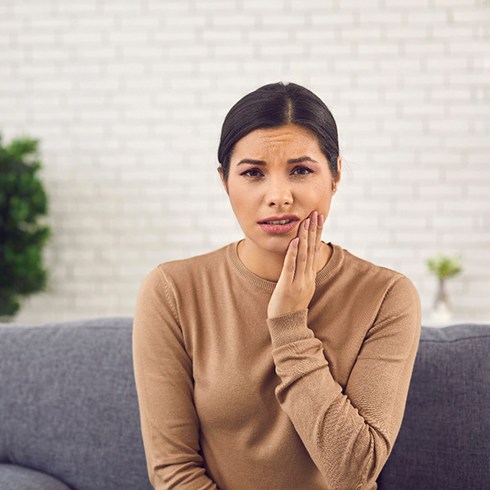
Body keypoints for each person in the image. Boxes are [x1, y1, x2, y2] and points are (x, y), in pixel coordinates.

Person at [132, 81, 421, 490]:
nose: (278, 196)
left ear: (336, 176)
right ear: (225, 182)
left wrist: (289, 326)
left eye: (301, 170)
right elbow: (173, 473)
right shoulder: (172, 291)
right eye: (252, 173)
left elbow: (355, 471)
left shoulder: (387, 296)